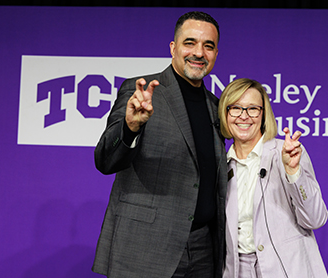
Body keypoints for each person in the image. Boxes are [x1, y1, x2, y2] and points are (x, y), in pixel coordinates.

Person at [92, 11, 227, 278]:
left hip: (203, 250)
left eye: (208, 45)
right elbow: (105, 160)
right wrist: (131, 127)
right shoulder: (141, 91)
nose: (199, 52)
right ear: (173, 48)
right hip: (146, 246)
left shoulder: (216, 106)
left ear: (215, 54)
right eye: (190, 43)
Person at [218, 78, 328, 278]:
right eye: (235, 108)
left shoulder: (286, 153)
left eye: (253, 109)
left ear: (263, 114)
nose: (244, 116)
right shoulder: (221, 165)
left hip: (287, 269)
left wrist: (293, 172)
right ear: (225, 114)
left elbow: (316, 218)